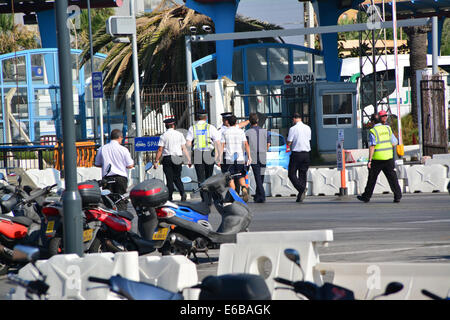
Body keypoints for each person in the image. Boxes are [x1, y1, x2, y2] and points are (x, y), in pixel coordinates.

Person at [357, 110, 402, 203]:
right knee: (392, 177)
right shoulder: (387, 128)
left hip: (377, 159)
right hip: (388, 158)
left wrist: (369, 160)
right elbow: (394, 142)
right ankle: (398, 195)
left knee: (372, 178)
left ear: (373, 122)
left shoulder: (373, 131)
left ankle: (366, 196)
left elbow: (372, 146)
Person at [186, 110, 220, 205]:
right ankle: (209, 199)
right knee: (209, 177)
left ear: (197, 118)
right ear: (206, 117)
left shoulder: (193, 128)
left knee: (200, 178)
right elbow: (217, 143)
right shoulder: (211, 128)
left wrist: (188, 158)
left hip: (197, 154)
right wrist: (217, 157)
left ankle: (204, 199)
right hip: (209, 153)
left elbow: (188, 144)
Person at [154, 117, 191, 202]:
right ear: (173, 125)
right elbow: (184, 148)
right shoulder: (180, 134)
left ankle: (170, 197)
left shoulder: (163, 136)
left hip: (167, 158)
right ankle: (182, 193)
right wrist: (189, 159)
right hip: (178, 158)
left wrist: (156, 161)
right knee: (177, 177)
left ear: (166, 126)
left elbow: (160, 150)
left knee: (169, 179)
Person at [220, 115, 252, 202]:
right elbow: (246, 145)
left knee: (231, 179)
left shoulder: (225, 132)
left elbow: (222, 146)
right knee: (241, 176)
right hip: (240, 158)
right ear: (236, 122)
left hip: (229, 159)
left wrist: (219, 158)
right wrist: (249, 157)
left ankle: (234, 197)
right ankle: (244, 187)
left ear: (228, 122)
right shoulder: (241, 132)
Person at [94, 129, 134, 195]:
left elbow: (97, 164)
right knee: (120, 200)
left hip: (107, 179)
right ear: (119, 138)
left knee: (109, 201)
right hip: (120, 179)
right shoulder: (123, 149)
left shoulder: (102, 148)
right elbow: (130, 165)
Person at [286, 113, 311, 203]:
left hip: (297, 153)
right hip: (307, 153)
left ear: (294, 119)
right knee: (303, 174)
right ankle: (301, 195)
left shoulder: (293, 129)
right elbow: (308, 139)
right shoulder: (308, 128)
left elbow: (289, 142)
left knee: (291, 174)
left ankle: (301, 189)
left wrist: (288, 142)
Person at [245, 113, 270, 203]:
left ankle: (261, 195)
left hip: (254, 155)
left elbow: (246, 145)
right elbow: (268, 144)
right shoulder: (265, 131)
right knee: (261, 175)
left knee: (257, 176)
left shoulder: (247, 132)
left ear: (249, 122)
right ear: (258, 121)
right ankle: (258, 195)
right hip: (263, 154)